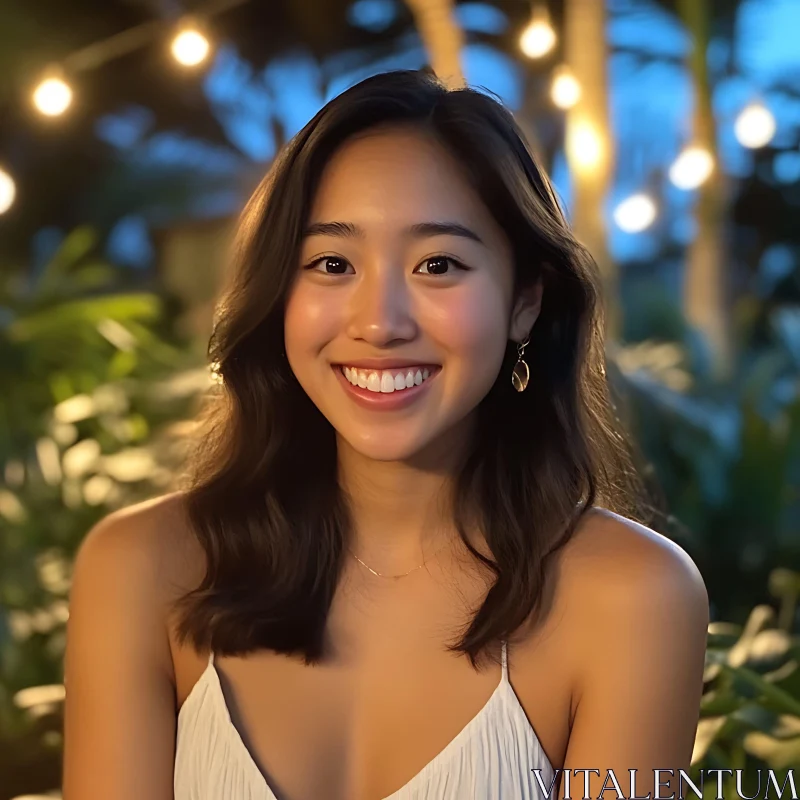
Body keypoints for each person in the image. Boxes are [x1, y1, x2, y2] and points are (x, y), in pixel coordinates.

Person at [62, 69, 709, 800]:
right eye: (332, 263)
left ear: (525, 302)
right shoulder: (143, 571)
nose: (379, 323)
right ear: (281, 294)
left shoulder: (632, 600)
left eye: (439, 264)